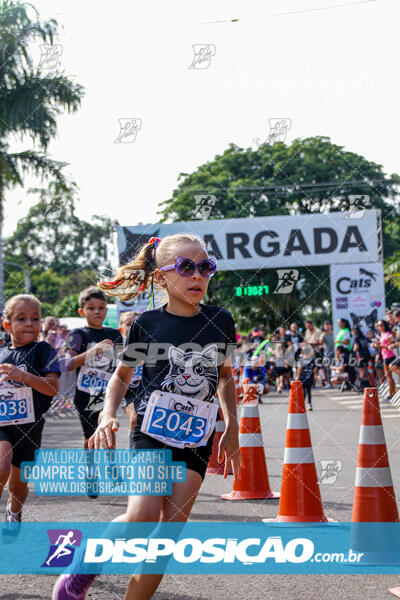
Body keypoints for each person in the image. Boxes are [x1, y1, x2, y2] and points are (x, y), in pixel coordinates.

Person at [52, 233, 240, 600]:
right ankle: (85, 565)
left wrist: (231, 423)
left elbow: (226, 377)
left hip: (196, 438)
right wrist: (107, 414)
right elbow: (121, 377)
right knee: (140, 519)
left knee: (167, 537)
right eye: (186, 267)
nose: (198, 275)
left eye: (206, 267)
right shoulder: (147, 325)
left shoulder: (221, 321)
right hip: (152, 433)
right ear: (161, 277)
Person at [0, 294, 60, 539]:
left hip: (31, 426)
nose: (29, 324)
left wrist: (23, 377)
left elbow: (52, 387)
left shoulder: (44, 350)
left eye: (35, 319)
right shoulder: (1, 354)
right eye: (21, 319)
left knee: (18, 484)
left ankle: (14, 511)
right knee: (1, 467)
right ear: (7, 325)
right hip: (3, 424)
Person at [63, 287, 122, 494]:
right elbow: (68, 364)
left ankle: (112, 464)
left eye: (101, 308)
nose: (96, 312)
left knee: (109, 428)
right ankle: (91, 474)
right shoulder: (78, 334)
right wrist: (93, 351)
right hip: (85, 393)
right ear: (82, 312)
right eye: (91, 308)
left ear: (107, 311)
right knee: (90, 435)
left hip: (108, 393)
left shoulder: (114, 334)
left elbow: (123, 363)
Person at [118, 311, 140, 432]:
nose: (132, 327)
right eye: (129, 324)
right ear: (121, 329)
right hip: (127, 393)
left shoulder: (149, 348)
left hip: (146, 390)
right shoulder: (116, 351)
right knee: (134, 418)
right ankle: (133, 449)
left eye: (135, 324)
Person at [373, 320, 397, 401]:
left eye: (381, 325)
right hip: (384, 356)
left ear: (385, 325)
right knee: (388, 376)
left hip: (389, 356)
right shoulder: (382, 334)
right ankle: (392, 393)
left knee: (389, 376)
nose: (379, 327)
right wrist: (377, 345)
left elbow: (390, 346)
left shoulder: (388, 334)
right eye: (378, 325)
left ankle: (391, 394)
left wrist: (379, 346)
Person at [297, 342, 315, 411]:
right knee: (308, 391)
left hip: (303, 377)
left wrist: (297, 377)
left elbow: (300, 368)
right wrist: (315, 375)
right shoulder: (311, 359)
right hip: (309, 377)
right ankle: (309, 404)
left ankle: (303, 404)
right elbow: (315, 368)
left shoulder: (301, 359)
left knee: (303, 391)